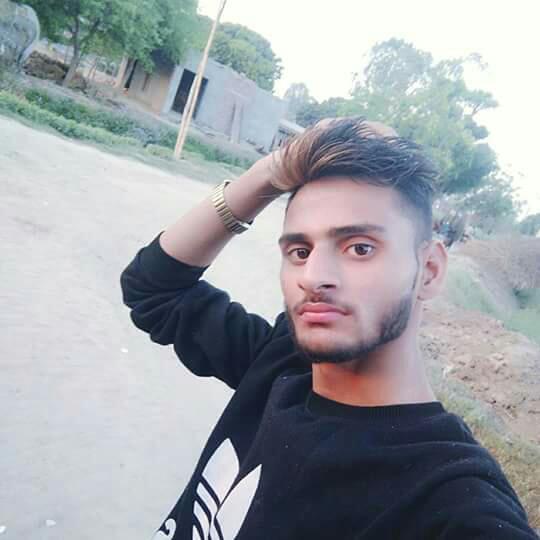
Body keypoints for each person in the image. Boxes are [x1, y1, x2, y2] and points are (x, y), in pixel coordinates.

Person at [120, 118, 538, 540]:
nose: (313, 277)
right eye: (300, 251)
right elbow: (153, 289)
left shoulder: (449, 500)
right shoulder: (282, 363)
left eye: (360, 248)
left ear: (429, 270)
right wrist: (269, 173)